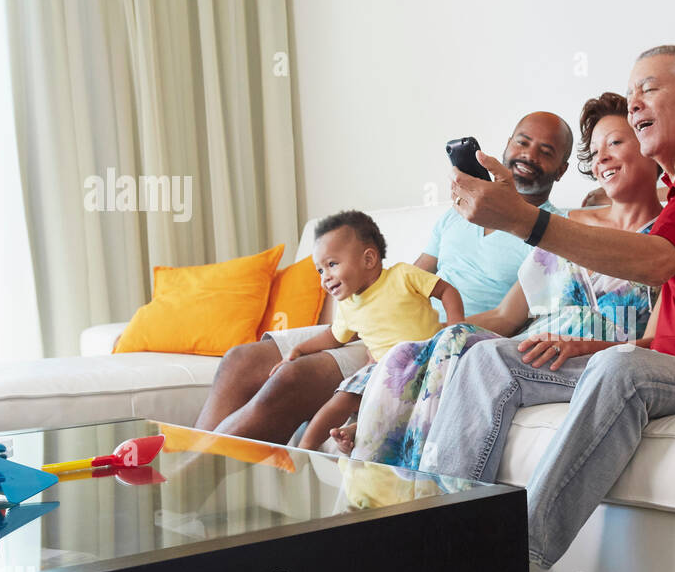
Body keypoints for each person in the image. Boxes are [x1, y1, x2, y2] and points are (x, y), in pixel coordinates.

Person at [421, 45, 675, 570]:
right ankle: (435, 540)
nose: (634, 105)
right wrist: (597, 344)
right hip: (666, 362)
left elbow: (654, 262)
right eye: (630, 97)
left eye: (648, 89)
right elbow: (664, 338)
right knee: (490, 359)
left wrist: (524, 220)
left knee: (620, 368)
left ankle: (503, 566)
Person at [193, 112, 573, 444]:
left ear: (561, 169)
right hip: (382, 323)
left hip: (426, 343)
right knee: (240, 360)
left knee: (289, 380)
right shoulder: (459, 214)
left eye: (546, 151)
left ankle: (189, 482)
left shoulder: (552, 234)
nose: (529, 155)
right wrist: (369, 311)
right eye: (523, 143)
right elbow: (411, 275)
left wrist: (427, 332)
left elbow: (507, 317)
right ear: (505, 147)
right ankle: (182, 480)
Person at [332, 94, 663, 470]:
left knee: (465, 351)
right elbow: (508, 316)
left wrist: (584, 345)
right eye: (597, 149)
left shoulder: (667, 240)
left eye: (616, 143)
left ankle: (413, 493)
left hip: (589, 354)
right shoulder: (569, 227)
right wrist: (426, 335)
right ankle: (373, 489)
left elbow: (661, 341)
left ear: (652, 148)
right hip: (532, 343)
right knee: (424, 345)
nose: (601, 157)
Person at [292, 211, 464, 450]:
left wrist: (455, 331)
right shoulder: (347, 305)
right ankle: (302, 450)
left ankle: (356, 429)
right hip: (384, 371)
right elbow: (333, 336)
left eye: (332, 265)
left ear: (369, 259)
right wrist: (300, 348)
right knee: (343, 397)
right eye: (320, 270)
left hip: (428, 362)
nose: (325, 278)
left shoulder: (402, 275)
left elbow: (446, 291)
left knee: (412, 408)